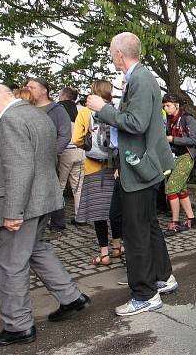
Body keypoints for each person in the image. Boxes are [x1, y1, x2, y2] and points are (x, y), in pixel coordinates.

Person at [0, 84, 91, 347]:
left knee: (11, 262)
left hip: (23, 204)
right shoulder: (37, 114)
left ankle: (18, 326)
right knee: (37, 249)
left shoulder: (10, 121)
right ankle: (71, 297)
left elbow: (19, 168)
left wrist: (13, 211)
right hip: (44, 199)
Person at [86, 32, 177, 316]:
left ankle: (144, 295)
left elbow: (135, 124)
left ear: (119, 54)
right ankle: (163, 277)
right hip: (143, 167)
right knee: (148, 225)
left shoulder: (139, 79)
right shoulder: (141, 77)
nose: (111, 57)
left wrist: (104, 109)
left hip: (139, 168)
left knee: (134, 232)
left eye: (111, 52)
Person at [73, 80, 123, 266]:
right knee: (114, 210)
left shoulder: (85, 112)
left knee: (98, 214)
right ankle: (117, 246)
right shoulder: (113, 111)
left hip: (93, 168)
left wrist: (87, 145)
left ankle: (104, 254)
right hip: (115, 168)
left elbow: (76, 138)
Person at [25, 77, 73, 239]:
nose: (28, 89)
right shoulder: (27, 108)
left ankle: (57, 225)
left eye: (32, 87)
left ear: (44, 90)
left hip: (48, 159)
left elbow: (65, 134)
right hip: (27, 158)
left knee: (51, 190)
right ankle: (33, 224)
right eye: (27, 87)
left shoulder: (56, 109)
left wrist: (52, 153)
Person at [161, 93, 196, 236]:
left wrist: (172, 139)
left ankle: (175, 223)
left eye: (168, 105)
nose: (166, 108)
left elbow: (194, 140)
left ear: (176, 105)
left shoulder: (188, 119)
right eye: (164, 106)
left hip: (187, 156)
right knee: (181, 190)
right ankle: (191, 219)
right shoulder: (170, 120)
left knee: (170, 188)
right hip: (176, 157)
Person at [56, 86, 87, 226]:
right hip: (81, 150)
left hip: (65, 151)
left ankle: (57, 219)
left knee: (59, 185)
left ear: (64, 96)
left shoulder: (58, 109)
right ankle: (80, 217)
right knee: (78, 186)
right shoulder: (83, 110)